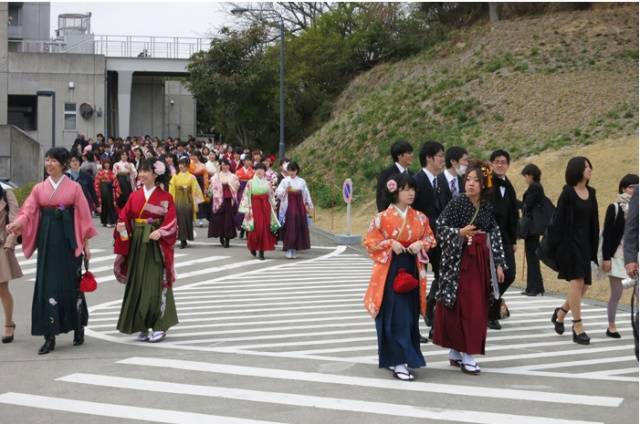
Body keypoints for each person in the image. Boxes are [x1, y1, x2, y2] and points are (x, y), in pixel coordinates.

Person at [6, 147, 96, 354]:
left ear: (63, 164)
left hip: (68, 240)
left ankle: (78, 327)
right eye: (47, 160)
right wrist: (17, 224)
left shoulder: (74, 188)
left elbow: (83, 217)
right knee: (47, 285)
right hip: (47, 239)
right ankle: (49, 336)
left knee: (72, 285)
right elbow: (28, 210)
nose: (49, 164)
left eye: (53, 160)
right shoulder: (40, 189)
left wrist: (86, 245)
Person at [433, 161, 506, 374]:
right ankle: (465, 353)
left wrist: (499, 263)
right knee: (462, 307)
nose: (471, 184)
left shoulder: (486, 207)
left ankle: (458, 351)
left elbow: (494, 234)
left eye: (476, 180)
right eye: (468, 180)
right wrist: (459, 233)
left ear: (484, 185)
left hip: (479, 261)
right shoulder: (457, 203)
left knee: (475, 306)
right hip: (458, 261)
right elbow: (440, 227)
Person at [363, 173, 436, 380]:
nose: (410, 193)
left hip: (411, 267)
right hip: (390, 269)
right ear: (395, 192)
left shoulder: (420, 217)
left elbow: (430, 237)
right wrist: (389, 244)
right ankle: (396, 361)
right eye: (405, 189)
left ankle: (401, 359)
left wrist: (420, 244)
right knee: (394, 316)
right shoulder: (381, 218)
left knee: (408, 316)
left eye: (412, 189)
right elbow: (370, 242)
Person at [114, 158, 178, 343]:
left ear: (155, 174)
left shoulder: (166, 197)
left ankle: (160, 325)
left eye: (146, 171)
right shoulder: (135, 195)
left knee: (157, 284)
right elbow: (124, 215)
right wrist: (122, 228)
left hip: (156, 245)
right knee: (138, 283)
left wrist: (161, 231)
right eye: (140, 171)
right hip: (138, 243)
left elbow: (172, 220)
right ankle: (141, 324)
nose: (141, 174)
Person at [550, 157, 599, 345]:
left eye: (590, 166)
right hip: (570, 245)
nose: (589, 169)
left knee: (585, 285)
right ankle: (577, 326)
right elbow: (558, 221)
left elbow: (593, 222)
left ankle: (561, 312)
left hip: (586, 244)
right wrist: (558, 247)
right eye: (586, 166)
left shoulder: (592, 192)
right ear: (577, 170)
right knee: (577, 283)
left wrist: (595, 249)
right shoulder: (568, 193)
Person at [413, 140, 445, 341]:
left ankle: (433, 319)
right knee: (416, 282)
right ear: (429, 158)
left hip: (439, 239)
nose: (443, 159)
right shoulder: (416, 181)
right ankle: (413, 330)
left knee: (443, 277)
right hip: (420, 241)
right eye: (440, 156)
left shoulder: (440, 181)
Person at [601, 174, 638, 338]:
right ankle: (611, 325)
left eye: (637, 186)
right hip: (616, 256)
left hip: (634, 256)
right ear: (623, 188)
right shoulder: (614, 207)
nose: (634, 189)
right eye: (631, 186)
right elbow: (608, 235)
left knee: (638, 293)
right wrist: (606, 258)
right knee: (617, 293)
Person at [487, 149, 519, 330]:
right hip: (489, 235)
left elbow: (513, 214)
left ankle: (491, 305)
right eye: (497, 161)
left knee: (510, 274)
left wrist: (514, 240)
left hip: (505, 237)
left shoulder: (509, 185)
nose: (500, 164)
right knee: (491, 275)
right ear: (491, 164)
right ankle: (490, 313)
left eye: (503, 162)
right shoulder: (487, 182)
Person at [239, 163, 280, 260]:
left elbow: (271, 195)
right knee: (255, 229)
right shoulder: (250, 182)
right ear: (255, 170)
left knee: (264, 228)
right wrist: (246, 210)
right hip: (254, 206)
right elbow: (245, 196)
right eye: (257, 169)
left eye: (262, 169)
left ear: (265, 171)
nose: (260, 171)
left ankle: (261, 251)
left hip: (265, 207)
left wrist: (274, 206)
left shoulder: (268, 183)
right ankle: (253, 247)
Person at [275, 161, 313, 259]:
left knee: (297, 227)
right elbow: (278, 193)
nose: (292, 173)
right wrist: (286, 190)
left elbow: (306, 194)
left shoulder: (302, 181)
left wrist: (307, 204)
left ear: (297, 171)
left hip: (299, 206)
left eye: (294, 170)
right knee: (289, 228)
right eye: (290, 170)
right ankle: (288, 249)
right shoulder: (285, 181)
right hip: (288, 206)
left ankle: (295, 249)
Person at [0, 185, 22, 343]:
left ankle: (8, 323)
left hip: (1, 246)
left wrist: (9, 243)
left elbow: (15, 222)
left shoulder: (7, 195)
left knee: (2, 288)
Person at [520, 164, 546, 296]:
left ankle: (534, 287)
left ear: (530, 175)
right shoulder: (538, 187)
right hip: (533, 227)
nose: (525, 179)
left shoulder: (534, 187)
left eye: (525, 176)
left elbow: (528, 206)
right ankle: (535, 287)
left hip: (531, 228)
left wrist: (518, 204)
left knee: (532, 257)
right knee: (532, 257)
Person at [169, 157, 204, 249]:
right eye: (180, 164)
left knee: (187, 219)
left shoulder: (192, 177)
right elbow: (171, 188)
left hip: (188, 200)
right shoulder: (175, 177)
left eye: (183, 164)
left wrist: (195, 201)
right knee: (180, 220)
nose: (181, 166)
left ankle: (185, 238)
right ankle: (182, 240)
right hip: (178, 200)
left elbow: (195, 189)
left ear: (187, 166)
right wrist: (171, 200)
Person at [208, 158, 240, 248]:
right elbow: (212, 184)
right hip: (219, 199)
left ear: (229, 166)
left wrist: (228, 184)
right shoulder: (216, 175)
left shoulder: (233, 176)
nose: (225, 166)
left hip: (228, 199)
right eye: (223, 165)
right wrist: (219, 183)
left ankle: (227, 239)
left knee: (228, 219)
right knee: (219, 219)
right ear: (221, 166)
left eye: (226, 165)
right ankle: (221, 236)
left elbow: (237, 185)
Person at [376, 140, 414, 212]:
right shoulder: (387, 174)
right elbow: (381, 200)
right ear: (399, 156)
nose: (412, 155)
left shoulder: (412, 175)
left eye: (411, 153)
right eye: (409, 153)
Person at [94, 158, 120, 228]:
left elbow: (116, 183)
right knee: (104, 204)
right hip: (102, 189)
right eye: (105, 163)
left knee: (110, 205)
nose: (107, 165)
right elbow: (96, 182)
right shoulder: (100, 172)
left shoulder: (112, 173)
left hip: (110, 190)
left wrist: (116, 190)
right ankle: (105, 221)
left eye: (108, 163)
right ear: (103, 164)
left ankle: (111, 220)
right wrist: (97, 191)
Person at [235, 155, 255, 238]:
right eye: (246, 160)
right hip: (241, 192)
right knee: (241, 211)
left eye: (250, 160)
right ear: (243, 162)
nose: (248, 162)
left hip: (250, 192)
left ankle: (247, 230)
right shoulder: (238, 171)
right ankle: (241, 229)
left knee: (249, 211)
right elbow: (235, 183)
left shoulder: (253, 172)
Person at [189, 152, 209, 228]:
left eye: (195, 156)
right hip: (191, 184)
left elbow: (206, 177)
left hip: (200, 184)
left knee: (199, 202)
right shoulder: (189, 164)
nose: (193, 157)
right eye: (192, 155)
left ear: (199, 156)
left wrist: (205, 187)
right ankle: (191, 219)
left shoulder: (202, 165)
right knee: (191, 201)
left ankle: (200, 220)